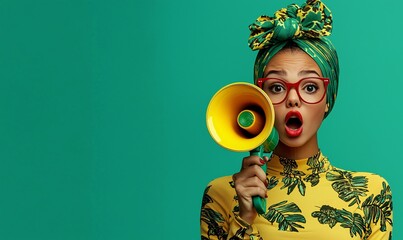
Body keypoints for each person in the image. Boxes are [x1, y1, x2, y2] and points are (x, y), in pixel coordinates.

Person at [200, 0, 393, 239]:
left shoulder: (370, 193)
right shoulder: (221, 194)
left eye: (310, 87)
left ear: (328, 100)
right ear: (261, 100)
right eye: (277, 87)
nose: (293, 99)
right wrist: (244, 219)